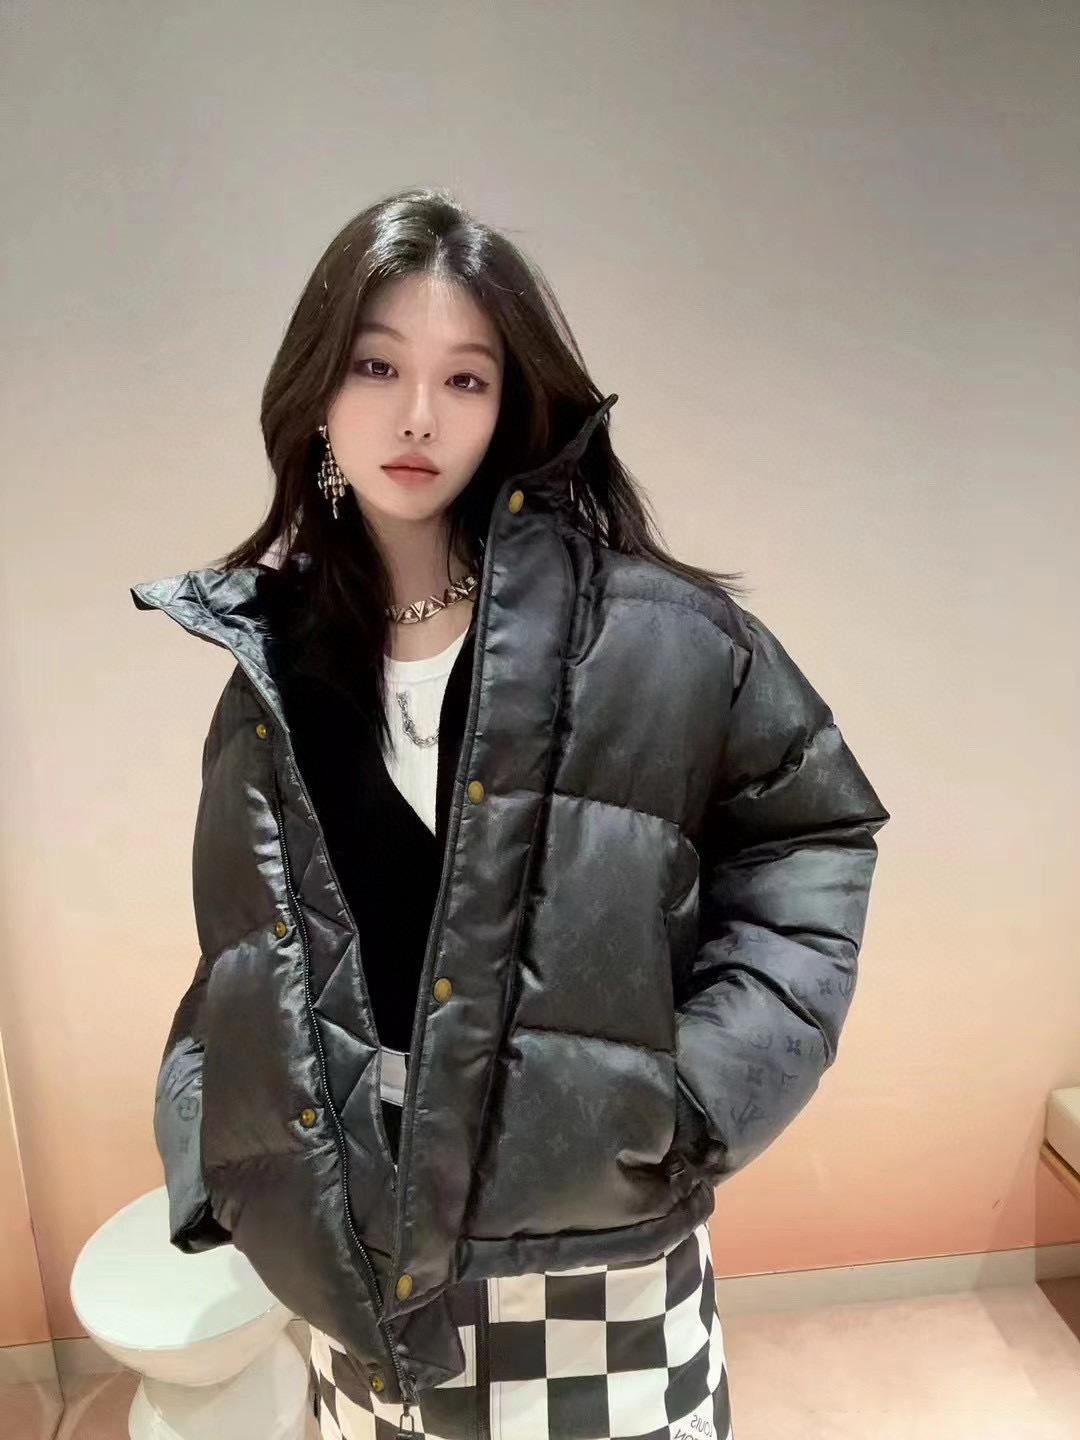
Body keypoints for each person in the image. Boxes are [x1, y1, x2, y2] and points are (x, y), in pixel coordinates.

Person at [130, 185, 890, 1440]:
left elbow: (810, 832)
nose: (418, 416)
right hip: (366, 1267)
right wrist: (212, 1136)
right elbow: (244, 950)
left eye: (465, 379)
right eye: (377, 365)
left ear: (509, 404)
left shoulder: (652, 636)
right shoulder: (272, 668)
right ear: (316, 391)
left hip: (600, 1269)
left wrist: (692, 1099)